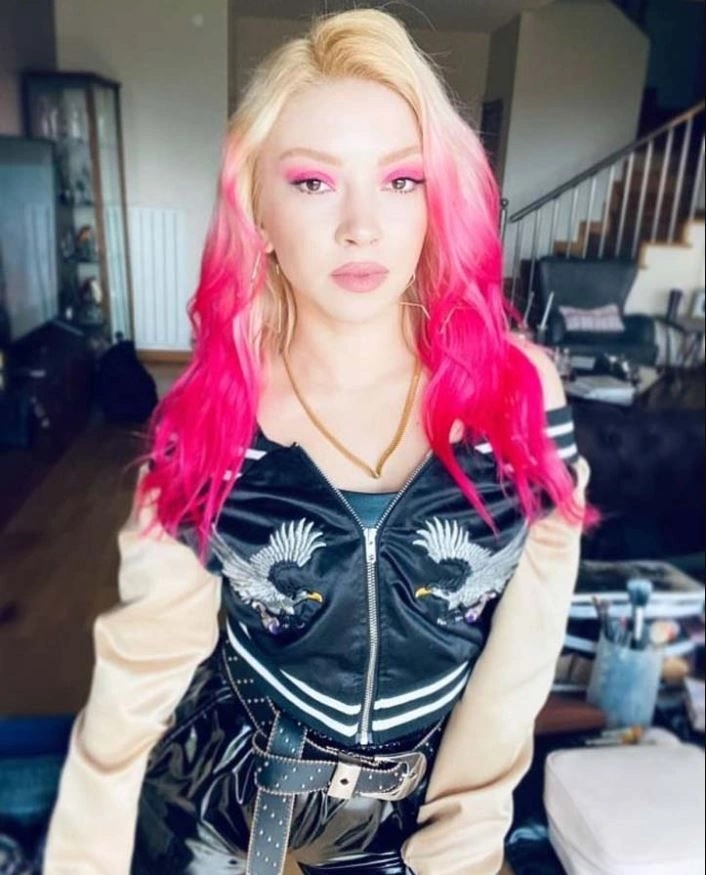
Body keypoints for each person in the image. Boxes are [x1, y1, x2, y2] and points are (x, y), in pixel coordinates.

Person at [44, 9, 591, 875]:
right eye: (312, 182)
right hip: (221, 811)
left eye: (402, 179)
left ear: (438, 198)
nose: (362, 226)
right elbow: (139, 673)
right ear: (256, 207)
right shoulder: (213, 414)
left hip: (417, 827)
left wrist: (464, 844)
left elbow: (519, 662)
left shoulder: (517, 395)